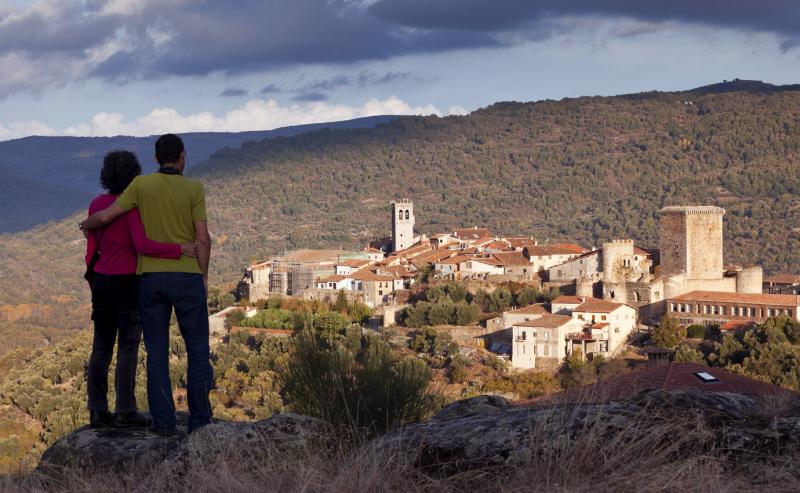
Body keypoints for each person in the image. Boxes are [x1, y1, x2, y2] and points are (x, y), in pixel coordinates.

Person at [80, 134, 213, 435]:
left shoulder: (126, 193)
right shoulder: (184, 191)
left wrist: (85, 227)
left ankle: (147, 420)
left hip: (130, 281)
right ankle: (195, 422)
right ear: (182, 156)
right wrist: (195, 266)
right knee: (189, 350)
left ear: (155, 158)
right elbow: (196, 239)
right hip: (161, 279)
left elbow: (100, 228)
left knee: (140, 351)